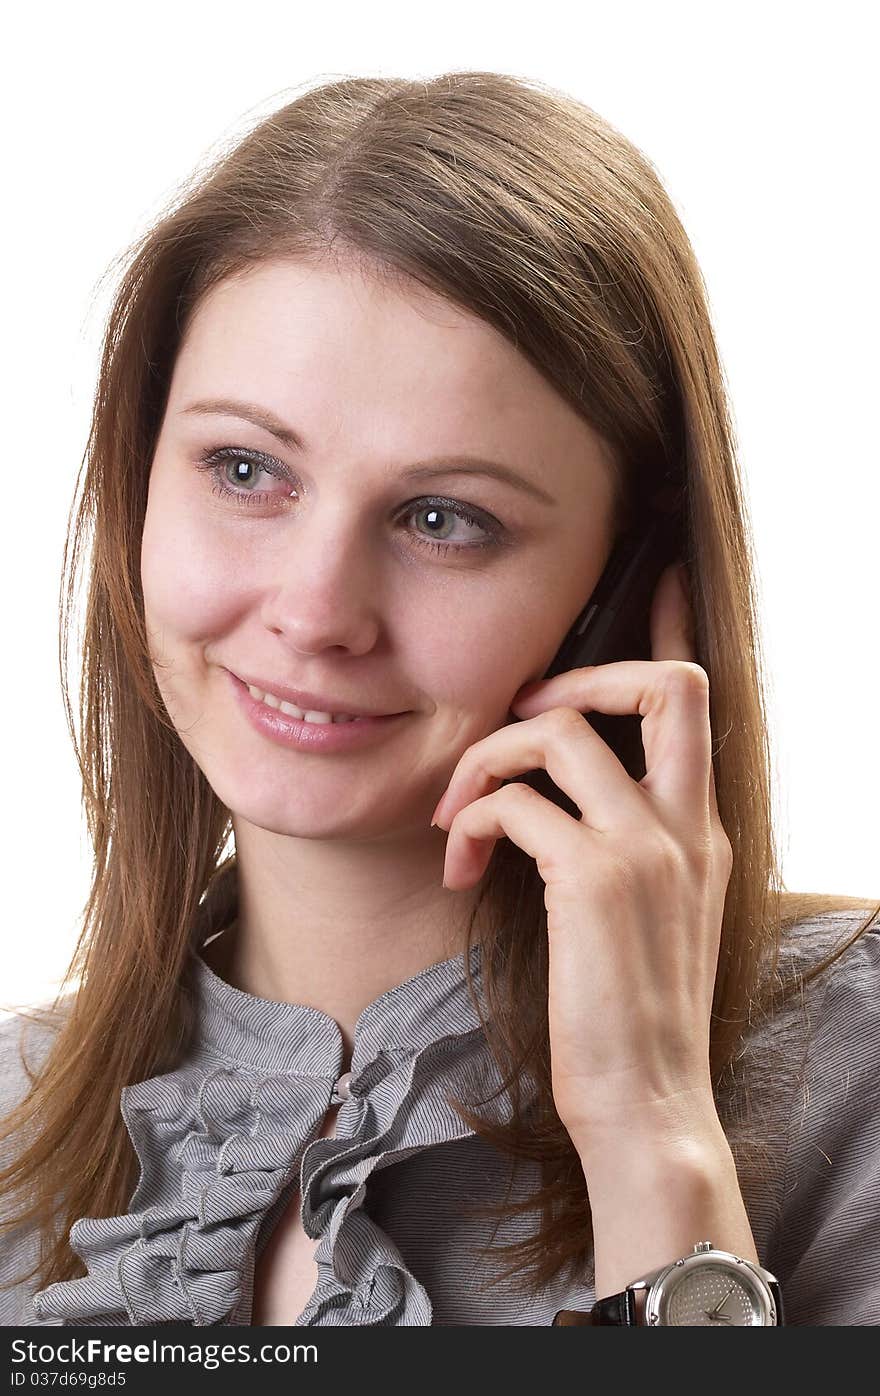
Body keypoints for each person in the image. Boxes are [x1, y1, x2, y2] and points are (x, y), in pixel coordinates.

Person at [1, 70, 877, 1329]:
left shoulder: (855, 1064)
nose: (314, 610)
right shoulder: (15, 1122)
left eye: (442, 519)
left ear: (624, 586)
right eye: (244, 468)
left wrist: (653, 1131)